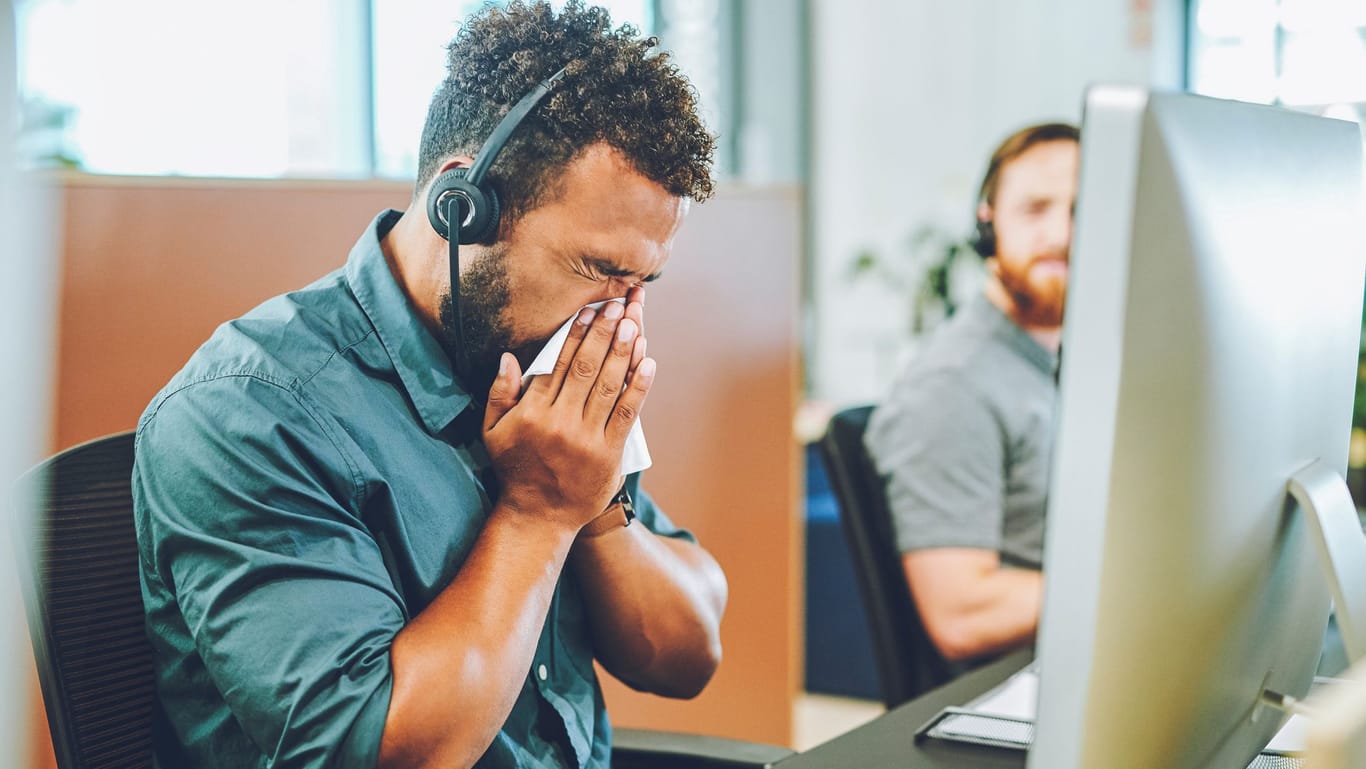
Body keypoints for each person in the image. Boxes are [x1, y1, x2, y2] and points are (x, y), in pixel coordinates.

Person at [131, 3, 728, 768]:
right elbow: (384, 753)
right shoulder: (245, 412)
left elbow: (688, 652)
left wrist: (598, 507)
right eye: (598, 269)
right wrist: (539, 516)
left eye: (645, 280)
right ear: (461, 208)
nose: (620, 318)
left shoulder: (539, 371)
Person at [864, 122, 1080, 663]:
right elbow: (961, 611)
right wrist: (1146, 587)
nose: (1061, 234)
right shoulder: (954, 385)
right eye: (1035, 209)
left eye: (1083, 212)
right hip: (1020, 703)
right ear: (989, 224)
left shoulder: (1060, 364)